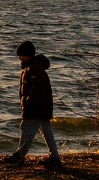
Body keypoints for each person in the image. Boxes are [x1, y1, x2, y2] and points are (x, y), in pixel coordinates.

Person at [4, 40, 61, 168]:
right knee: (46, 131)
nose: (19, 58)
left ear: (27, 55)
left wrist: (28, 103)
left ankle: (19, 155)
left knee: (26, 129)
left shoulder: (33, 69)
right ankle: (54, 157)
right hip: (43, 106)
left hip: (35, 107)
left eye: (20, 55)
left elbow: (37, 88)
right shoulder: (33, 68)